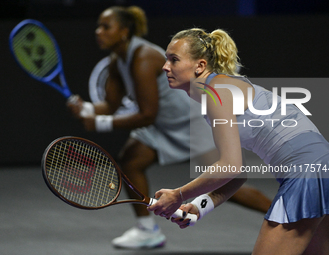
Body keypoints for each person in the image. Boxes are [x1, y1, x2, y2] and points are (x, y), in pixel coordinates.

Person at [67, 6, 272, 249]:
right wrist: (87, 109)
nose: (98, 32)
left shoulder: (142, 58)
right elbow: (111, 104)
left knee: (227, 182)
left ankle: (282, 214)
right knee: (132, 160)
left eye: (106, 27)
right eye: (98, 26)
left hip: (190, 123)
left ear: (123, 31)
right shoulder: (117, 62)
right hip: (164, 124)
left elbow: (146, 115)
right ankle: (147, 230)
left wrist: (99, 123)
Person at [148, 27, 329, 254]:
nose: (165, 66)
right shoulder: (223, 88)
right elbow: (238, 172)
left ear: (199, 66)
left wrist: (178, 195)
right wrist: (201, 205)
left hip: (305, 174)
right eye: (166, 59)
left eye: (174, 59)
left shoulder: (215, 92)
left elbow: (230, 166)